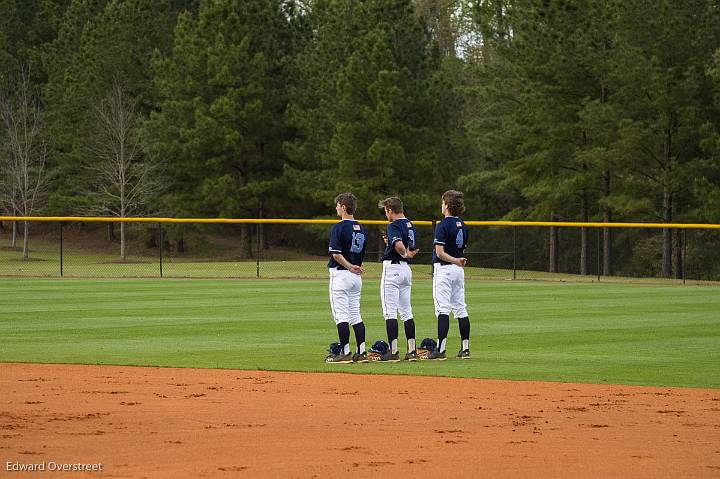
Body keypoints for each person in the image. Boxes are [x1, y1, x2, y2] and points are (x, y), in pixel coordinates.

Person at [427, 190, 471, 360]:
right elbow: (461, 249)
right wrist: (457, 261)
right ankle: (465, 348)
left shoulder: (442, 225)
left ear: (447, 205)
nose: (441, 205)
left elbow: (439, 252)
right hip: (458, 271)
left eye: (442, 202)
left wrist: (453, 260)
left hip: (445, 269)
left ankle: (441, 349)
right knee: (460, 308)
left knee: (443, 309)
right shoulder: (463, 225)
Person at [325, 192, 368, 364]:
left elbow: (336, 254)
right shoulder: (361, 228)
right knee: (355, 315)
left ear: (343, 207)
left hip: (342, 274)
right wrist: (353, 266)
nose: (336, 208)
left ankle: (345, 353)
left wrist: (349, 266)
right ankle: (362, 352)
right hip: (356, 276)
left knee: (341, 316)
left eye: (337, 205)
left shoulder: (339, 227)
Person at [377, 197, 419, 361]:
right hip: (405, 270)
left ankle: (393, 352)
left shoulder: (393, 225)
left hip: (393, 268)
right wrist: (395, 247)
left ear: (389, 210)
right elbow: (411, 246)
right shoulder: (410, 224)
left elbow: (401, 246)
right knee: (406, 311)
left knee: (390, 312)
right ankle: (412, 351)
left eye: (385, 211)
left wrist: (402, 251)